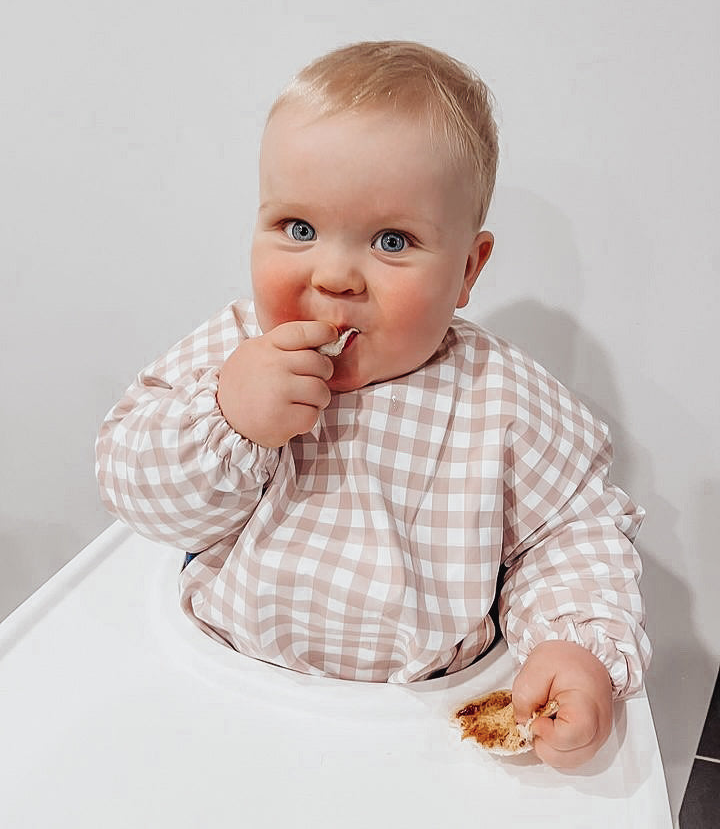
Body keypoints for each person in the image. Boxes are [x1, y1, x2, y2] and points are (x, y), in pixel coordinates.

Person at [95, 40, 651, 769]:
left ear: (467, 269)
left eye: (392, 241)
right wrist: (226, 420)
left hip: (420, 725)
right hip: (221, 691)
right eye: (298, 229)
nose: (333, 275)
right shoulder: (231, 351)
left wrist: (573, 647)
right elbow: (139, 499)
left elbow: (570, 534)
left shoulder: (501, 397)